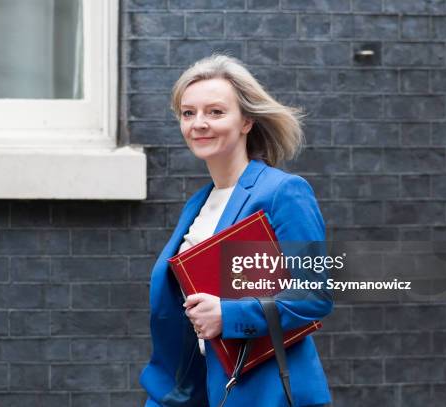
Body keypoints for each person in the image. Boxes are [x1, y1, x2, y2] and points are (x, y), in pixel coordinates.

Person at [139, 54, 333, 406]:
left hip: (265, 393)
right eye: (188, 113)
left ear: (246, 121)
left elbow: (315, 294)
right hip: (199, 392)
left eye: (215, 112)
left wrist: (228, 315)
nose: (199, 123)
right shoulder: (197, 205)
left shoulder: (282, 192)